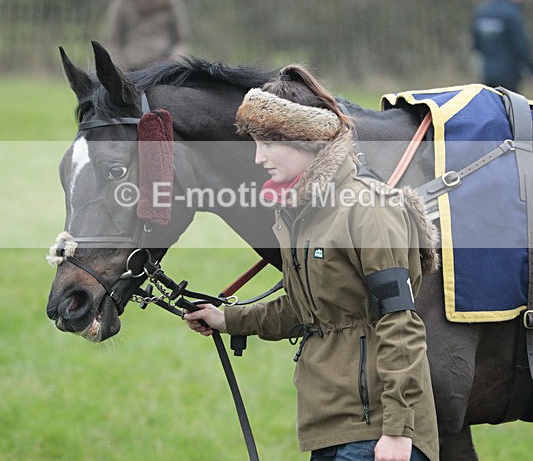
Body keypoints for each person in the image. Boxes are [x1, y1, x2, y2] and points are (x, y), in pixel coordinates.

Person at [183, 66, 440, 461]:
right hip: (327, 425)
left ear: (307, 139)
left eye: (268, 142)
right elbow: (305, 308)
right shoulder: (297, 216)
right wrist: (227, 320)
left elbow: (400, 321)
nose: (257, 157)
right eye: (254, 142)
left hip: (376, 432)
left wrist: (397, 430)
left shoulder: (368, 208)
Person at [472, 0, 533, 92]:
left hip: (488, 73)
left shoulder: (482, 12)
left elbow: (476, 45)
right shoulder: (512, 13)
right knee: (510, 111)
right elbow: (521, 46)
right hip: (510, 75)